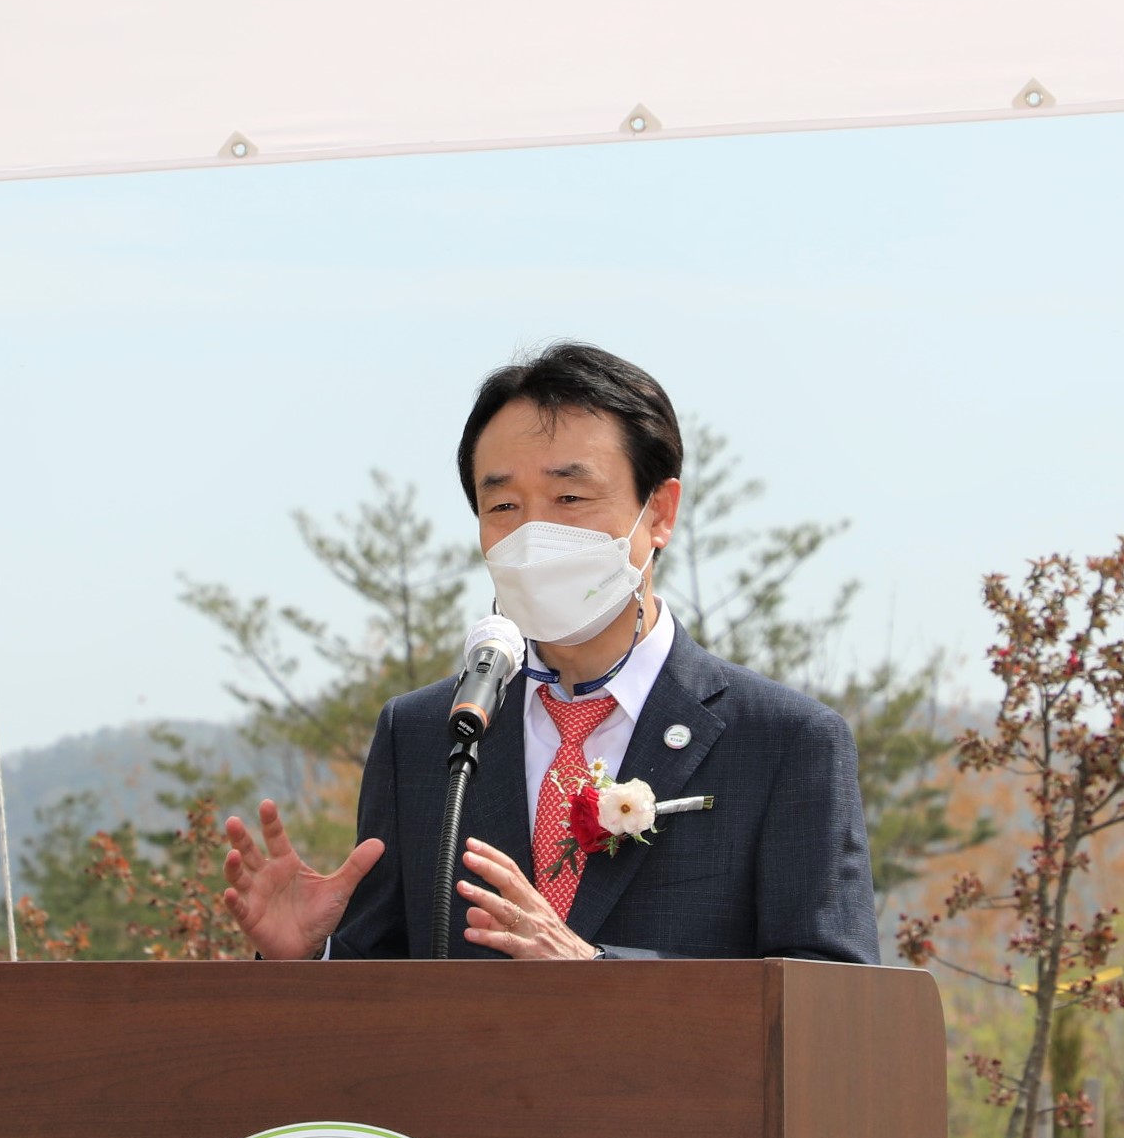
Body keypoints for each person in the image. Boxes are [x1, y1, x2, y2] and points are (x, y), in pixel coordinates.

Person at [222, 343, 876, 962]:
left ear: (659, 513)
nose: (534, 533)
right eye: (504, 504)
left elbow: (827, 1000)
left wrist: (593, 969)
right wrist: (312, 956)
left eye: (569, 498)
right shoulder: (426, 736)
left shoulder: (783, 742)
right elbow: (386, 987)